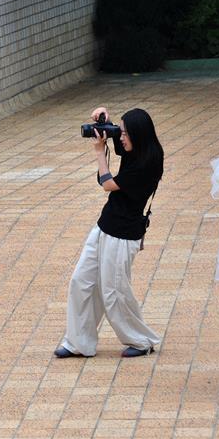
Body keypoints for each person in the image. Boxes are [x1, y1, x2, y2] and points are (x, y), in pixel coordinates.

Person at [54, 106, 163, 359]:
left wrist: (97, 152)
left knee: (114, 291)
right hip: (105, 225)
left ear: (138, 134)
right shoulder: (135, 148)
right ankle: (78, 342)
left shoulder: (149, 162)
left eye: (124, 133)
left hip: (123, 235)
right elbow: (117, 140)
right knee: (81, 281)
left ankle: (141, 340)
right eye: (120, 132)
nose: (120, 137)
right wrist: (106, 119)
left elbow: (108, 184)